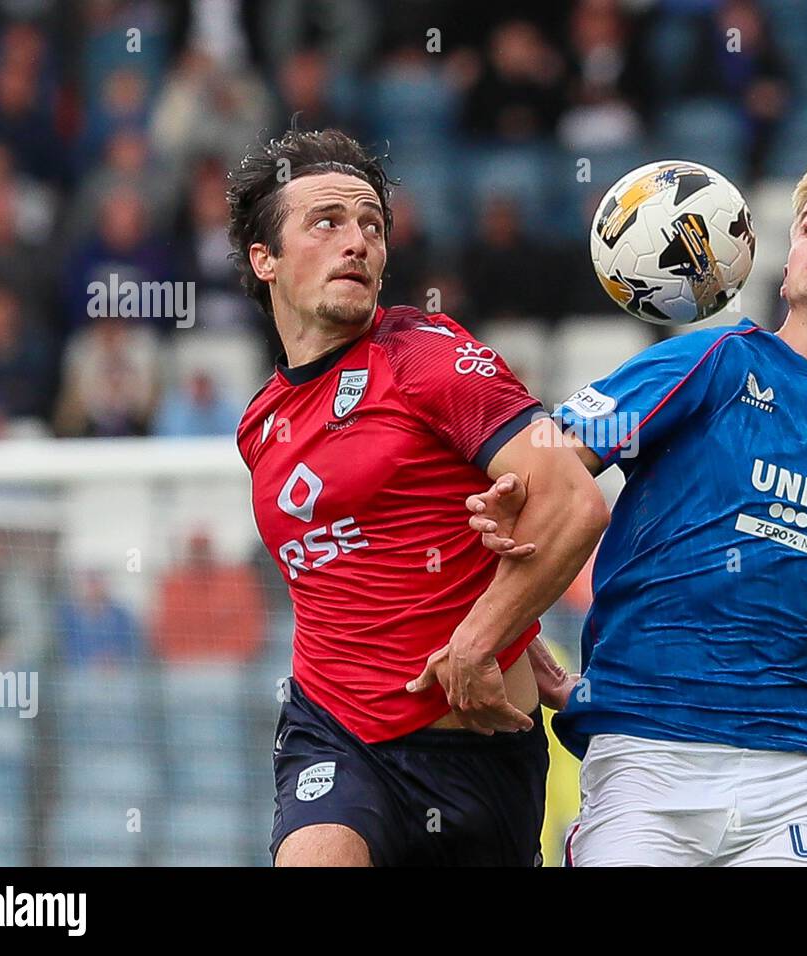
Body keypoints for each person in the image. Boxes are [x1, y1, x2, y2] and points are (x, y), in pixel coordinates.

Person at [457, 145, 807, 866]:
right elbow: (554, 461)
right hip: (646, 761)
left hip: (800, 785)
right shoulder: (710, 362)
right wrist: (512, 508)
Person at [226, 128, 608, 867]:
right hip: (332, 729)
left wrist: (486, 637)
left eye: (373, 224)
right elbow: (361, 564)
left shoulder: (427, 357)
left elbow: (572, 503)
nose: (359, 241)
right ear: (263, 259)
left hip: (473, 750)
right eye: (328, 221)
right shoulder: (258, 424)